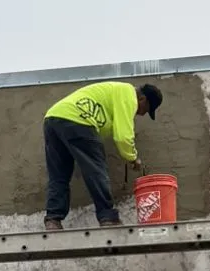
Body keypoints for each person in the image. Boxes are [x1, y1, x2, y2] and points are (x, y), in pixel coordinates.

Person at [42, 81, 163, 229]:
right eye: (145, 110)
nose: (141, 114)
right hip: (79, 120)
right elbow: (123, 136)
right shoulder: (128, 94)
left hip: (53, 118)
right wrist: (132, 158)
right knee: (96, 170)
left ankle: (53, 219)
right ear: (142, 99)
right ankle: (108, 217)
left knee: (59, 175)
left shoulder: (115, 91)